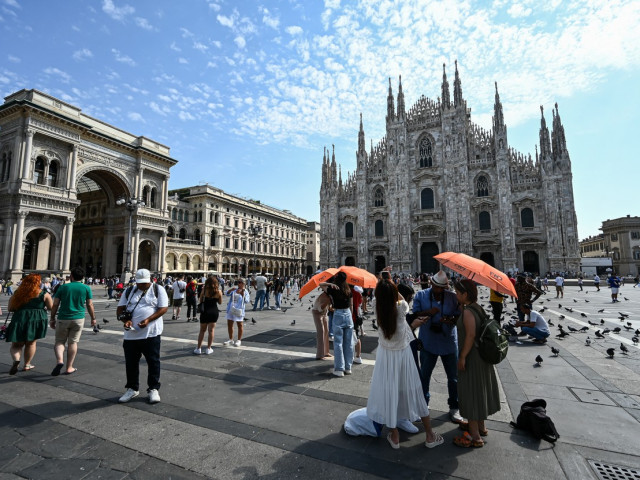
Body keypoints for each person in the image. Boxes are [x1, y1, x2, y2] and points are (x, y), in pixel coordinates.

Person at [366, 279, 444, 449]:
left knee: (389, 393)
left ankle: (394, 435)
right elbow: (401, 299)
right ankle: (430, 435)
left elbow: (377, 298)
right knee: (415, 391)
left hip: (386, 358)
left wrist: (383, 284)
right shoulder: (401, 308)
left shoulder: (376, 308)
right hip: (404, 357)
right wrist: (392, 283)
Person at [452, 279, 500, 448]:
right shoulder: (476, 308)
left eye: (458, 293)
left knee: (470, 392)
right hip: (482, 357)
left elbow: (470, 335)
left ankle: (474, 437)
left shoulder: (468, 312)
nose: (456, 295)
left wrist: (462, 357)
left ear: (465, 294)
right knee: (479, 390)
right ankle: (481, 426)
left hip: (472, 357)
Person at [412, 270, 463, 424]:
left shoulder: (453, 297)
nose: (439, 291)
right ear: (432, 284)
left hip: (448, 341)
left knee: (453, 377)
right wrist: (429, 312)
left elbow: (459, 316)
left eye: (443, 288)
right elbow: (414, 315)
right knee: (424, 376)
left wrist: (450, 319)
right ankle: (423, 405)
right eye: (437, 288)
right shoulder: (421, 296)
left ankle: (454, 407)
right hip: (428, 341)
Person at [116, 269, 169, 404]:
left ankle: (153, 389)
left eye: (144, 283)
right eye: (139, 283)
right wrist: (125, 321)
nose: (141, 285)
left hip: (151, 333)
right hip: (131, 334)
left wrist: (148, 320)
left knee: (153, 362)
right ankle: (132, 388)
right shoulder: (129, 291)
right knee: (131, 363)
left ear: (149, 280)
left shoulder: (158, 289)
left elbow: (163, 308)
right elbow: (120, 309)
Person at [50, 267, 96, 376]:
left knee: (60, 341)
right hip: (78, 318)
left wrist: (52, 318)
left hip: (63, 318)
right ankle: (69, 367)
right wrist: (93, 318)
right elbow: (89, 304)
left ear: (71, 276)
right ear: (83, 277)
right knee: (73, 342)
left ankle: (60, 361)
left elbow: (55, 304)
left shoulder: (63, 287)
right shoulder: (86, 288)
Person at [6, 273, 53, 374]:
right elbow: (51, 307)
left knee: (16, 344)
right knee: (31, 343)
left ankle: (16, 360)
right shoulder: (43, 294)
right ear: (37, 282)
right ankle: (27, 364)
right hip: (37, 319)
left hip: (20, 318)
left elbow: (10, 308)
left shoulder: (18, 293)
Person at [320, 272, 354, 377]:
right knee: (349, 342)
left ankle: (339, 369)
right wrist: (351, 316)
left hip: (338, 314)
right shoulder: (349, 289)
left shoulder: (333, 289)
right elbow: (351, 305)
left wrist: (330, 284)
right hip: (348, 314)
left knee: (338, 342)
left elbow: (320, 284)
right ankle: (348, 368)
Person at [195, 276, 222, 354]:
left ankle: (198, 348)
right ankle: (208, 349)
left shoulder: (204, 290)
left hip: (205, 311)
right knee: (211, 331)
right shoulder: (218, 291)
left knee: (202, 331)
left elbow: (200, 300)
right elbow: (220, 302)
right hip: (214, 311)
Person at [223, 279, 251, 347]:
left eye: (240, 282)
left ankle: (239, 340)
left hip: (239, 309)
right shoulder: (235, 290)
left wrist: (242, 294)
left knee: (240, 324)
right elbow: (227, 293)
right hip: (231, 308)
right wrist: (230, 290)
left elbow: (247, 301)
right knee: (229, 324)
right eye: (238, 282)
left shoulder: (246, 291)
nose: (239, 284)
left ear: (244, 283)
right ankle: (231, 339)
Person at [311, 291, 332, 360]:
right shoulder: (323, 296)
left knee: (326, 331)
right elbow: (320, 308)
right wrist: (327, 301)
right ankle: (320, 355)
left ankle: (326, 352)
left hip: (324, 313)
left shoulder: (329, 296)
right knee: (321, 332)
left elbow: (329, 308)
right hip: (317, 313)